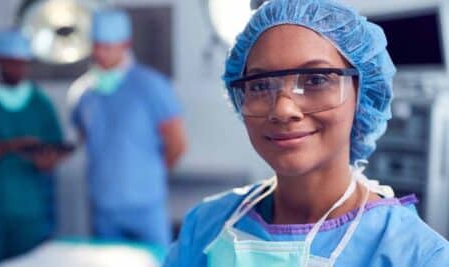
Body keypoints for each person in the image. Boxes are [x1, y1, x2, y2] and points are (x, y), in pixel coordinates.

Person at [164, 0, 449, 266]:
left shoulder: (417, 255)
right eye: (261, 85)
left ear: (362, 94)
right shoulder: (205, 226)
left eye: (315, 79)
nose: (283, 109)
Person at [69, 9, 186, 248]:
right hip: (103, 207)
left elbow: (177, 144)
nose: (101, 53)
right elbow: (81, 138)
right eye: (97, 46)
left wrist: (145, 175)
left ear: (125, 44)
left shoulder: (151, 86)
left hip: (145, 206)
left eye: (108, 47)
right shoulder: (84, 93)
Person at [0, 28, 67, 266]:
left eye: (22, 64)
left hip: (28, 212)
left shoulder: (39, 103)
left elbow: (54, 148)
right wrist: (10, 146)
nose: (17, 70)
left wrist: (46, 161)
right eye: (11, 63)